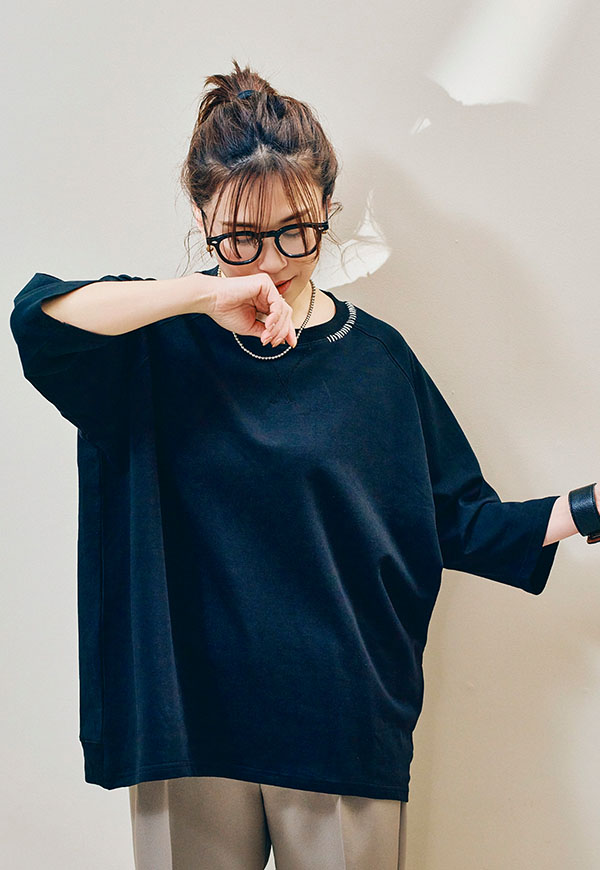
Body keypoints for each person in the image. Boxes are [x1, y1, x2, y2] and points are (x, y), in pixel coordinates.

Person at [9, 59, 600, 870]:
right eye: (241, 237)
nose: (273, 260)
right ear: (201, 215)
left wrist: (589, 505)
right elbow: (38, 320)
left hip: (340, 722)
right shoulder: (148, 348)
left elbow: (457, 522)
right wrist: (202, 294)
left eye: (296, 230)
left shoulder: (376, 363)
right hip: (187, 721)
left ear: (326, 207)